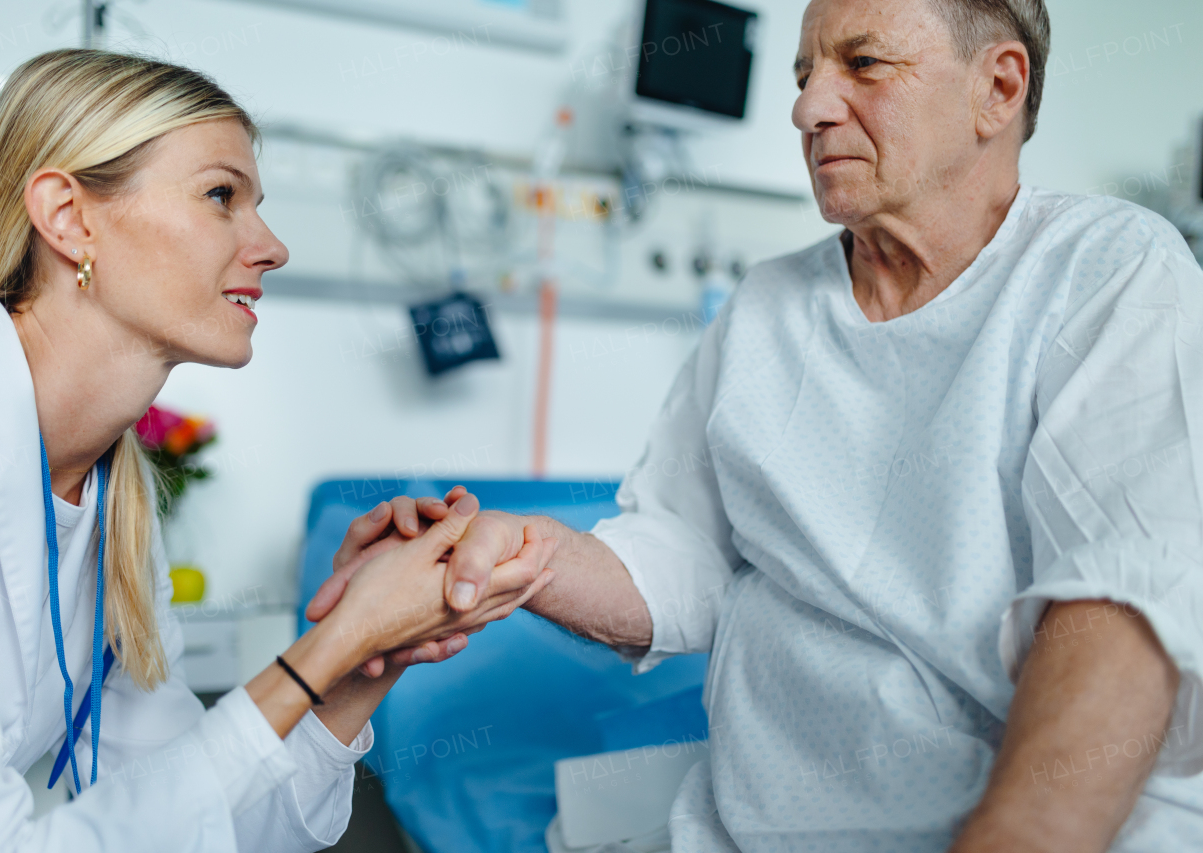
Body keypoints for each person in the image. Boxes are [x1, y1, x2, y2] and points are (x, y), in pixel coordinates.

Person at [308, 0, 1203, 849]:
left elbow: (1120, 601)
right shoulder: (767, 307)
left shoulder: (1108, 273)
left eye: (863, 63)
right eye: (805, 72)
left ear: (998, 89)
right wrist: (526, 550)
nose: (810, 105)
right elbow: (680, 556)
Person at [0, 49, 555, 853]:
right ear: (70, 217)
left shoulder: (115, 497)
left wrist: (364, 660)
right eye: (222, 195)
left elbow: (201, 819)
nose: (273, 247)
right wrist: (337, 637)